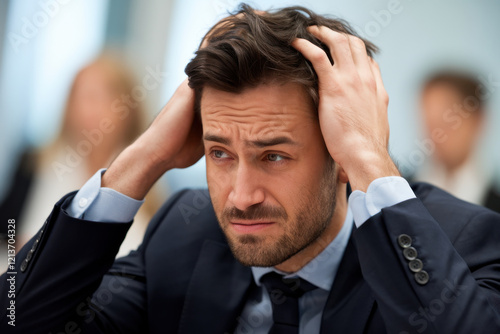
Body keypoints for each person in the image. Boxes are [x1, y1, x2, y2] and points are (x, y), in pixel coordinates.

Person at [1, 4, 500, 333]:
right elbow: (17, 317)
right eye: (220, 153)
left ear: (341, 154)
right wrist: (144, 155)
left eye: (274, 156)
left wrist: (371, 158)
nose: (240, 196)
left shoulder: (466, 244)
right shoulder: (185, 233)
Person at [0, 54, 161, 265]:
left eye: (97, 97)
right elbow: (6, 232)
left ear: (128, 108)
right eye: (78, 96)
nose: (86, 110)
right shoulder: (33, 164)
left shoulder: (150, 178)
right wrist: (16, 249)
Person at [413, 71, 500, 213]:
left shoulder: (495, 204)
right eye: (429, 124)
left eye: (447, 123)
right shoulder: (401, 196)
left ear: (478, 120)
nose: (436, 136)